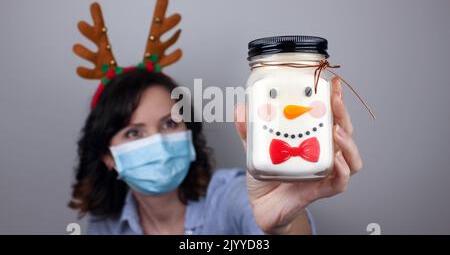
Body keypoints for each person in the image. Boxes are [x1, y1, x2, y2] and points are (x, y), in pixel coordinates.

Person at [68, 68, 362, 235]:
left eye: (170, 123)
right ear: (108, 157)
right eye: (134, 132)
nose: (157, 141)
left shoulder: (230, 194)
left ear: (188, 133)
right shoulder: (104, 226)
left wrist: (283, 222)